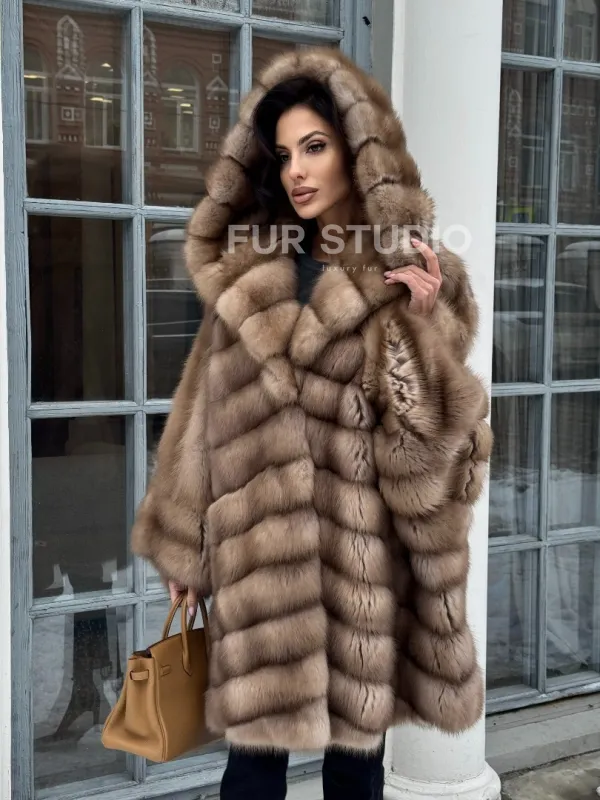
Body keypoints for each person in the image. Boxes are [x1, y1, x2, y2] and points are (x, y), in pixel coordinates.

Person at [131, 46, 493, 800]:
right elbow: (200, 415)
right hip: (257, 556)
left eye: (315, 147)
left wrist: (421, 326)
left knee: (354, 770)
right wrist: (185, 544)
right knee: (251, 768)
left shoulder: (417, 275)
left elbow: (437, 452)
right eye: (284, 153)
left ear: (361, 155)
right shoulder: (248, 274)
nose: (297, 170)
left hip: (362, 562)